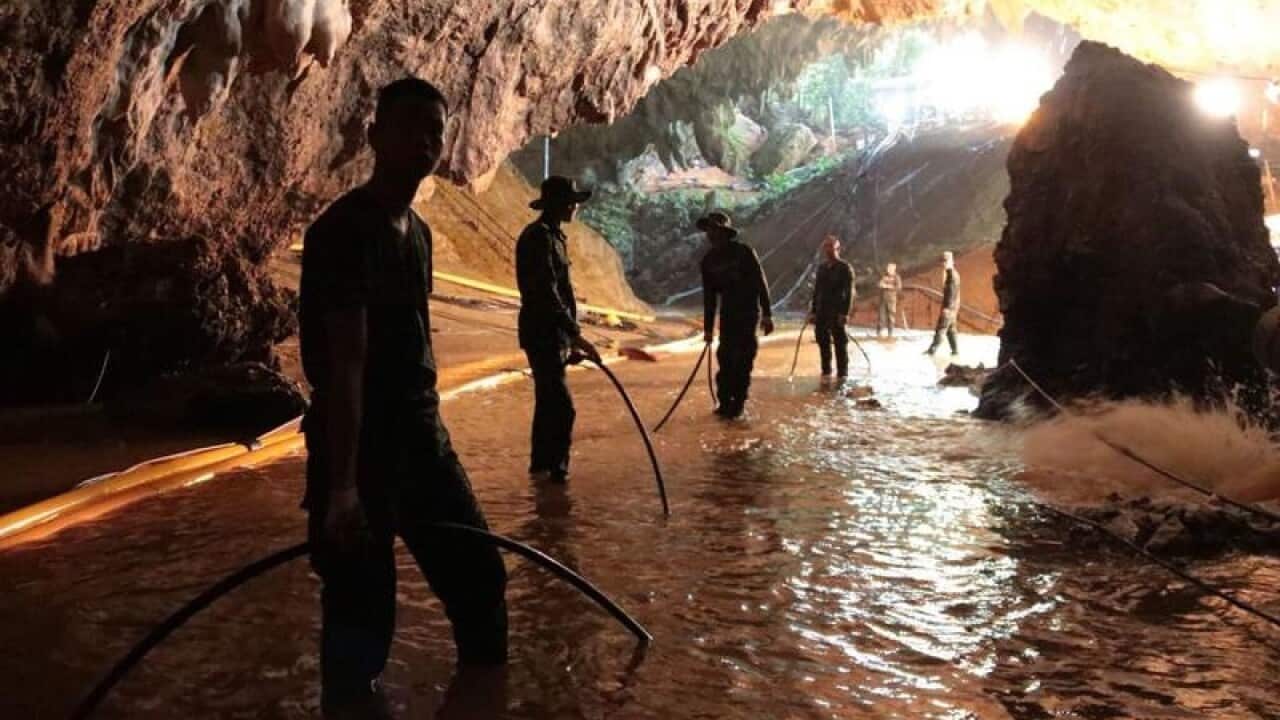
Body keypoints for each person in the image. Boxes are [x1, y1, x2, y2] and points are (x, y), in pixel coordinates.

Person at [299, 77, 508, 719]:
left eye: (436, 131)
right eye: (409, 127)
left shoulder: (416, 231)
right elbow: (346, 364)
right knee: (361, 627)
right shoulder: (343, 230)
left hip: (423, 439)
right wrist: (341, 491)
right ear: (373, 138)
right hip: (360, 448)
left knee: (481, 581)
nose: (425, 141)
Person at [516, 175, 601, 484]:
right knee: (563, 408)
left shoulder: (554, 236)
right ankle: (557, 474)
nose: (575, 208)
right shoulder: (538, 237)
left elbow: (559, 293)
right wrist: (576, 334)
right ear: (560, 204)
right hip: (542, 332)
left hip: (553, 333)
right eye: (572, 202)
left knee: (548, 401)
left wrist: (569, 340)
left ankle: (540, 471)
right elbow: (546, 294)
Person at [699, 211, 774, 418]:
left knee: (743, 360)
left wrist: (767, 314)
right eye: (708, 230)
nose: (710, 234)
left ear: (724, 232)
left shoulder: (744, 252)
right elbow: (709, 298)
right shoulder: (708, 261)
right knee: (725, 358)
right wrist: (707, 329)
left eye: (714, 229)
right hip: (728, 315)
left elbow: (760, 282)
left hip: (749, 313)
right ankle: (724, 403)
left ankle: (738, 403)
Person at [807, 235, 855, 378]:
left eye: (831, 247)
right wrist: (813, 311)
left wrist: (845, 313)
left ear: (838, 249)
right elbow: (817, 291)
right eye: (826, 247)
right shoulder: (822, 268)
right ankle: (826, 372)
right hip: (822, 311)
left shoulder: (845, 268)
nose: (828, 250)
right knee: (822, 341)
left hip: (837, 311)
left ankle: (842, 374)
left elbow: (849, 292)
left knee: (840, 344)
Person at [925, 250, 961, 356]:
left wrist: (947, 308)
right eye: (942, 261)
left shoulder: (952, 275)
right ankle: (955, 351)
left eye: (946, 261)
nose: (943, 263)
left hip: (950, 308)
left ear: (952, 261)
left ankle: (931, 351)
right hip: (953, 308)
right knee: (951, 330)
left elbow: (952, 292)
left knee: (941, 329)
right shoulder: (951, 274)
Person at [877, 262, 903, 338]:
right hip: (883, 299)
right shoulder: (884, 276)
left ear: (894, 269)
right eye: (888, 268)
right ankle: (879, 332)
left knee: (891, 316)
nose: (888, 270)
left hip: (891, 300)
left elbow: (899, 287)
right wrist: (881, 285)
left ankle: (890, 333)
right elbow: (879, 284)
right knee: (881, 316)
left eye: (890, 268)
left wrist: (888, 286)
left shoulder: (896, 277)